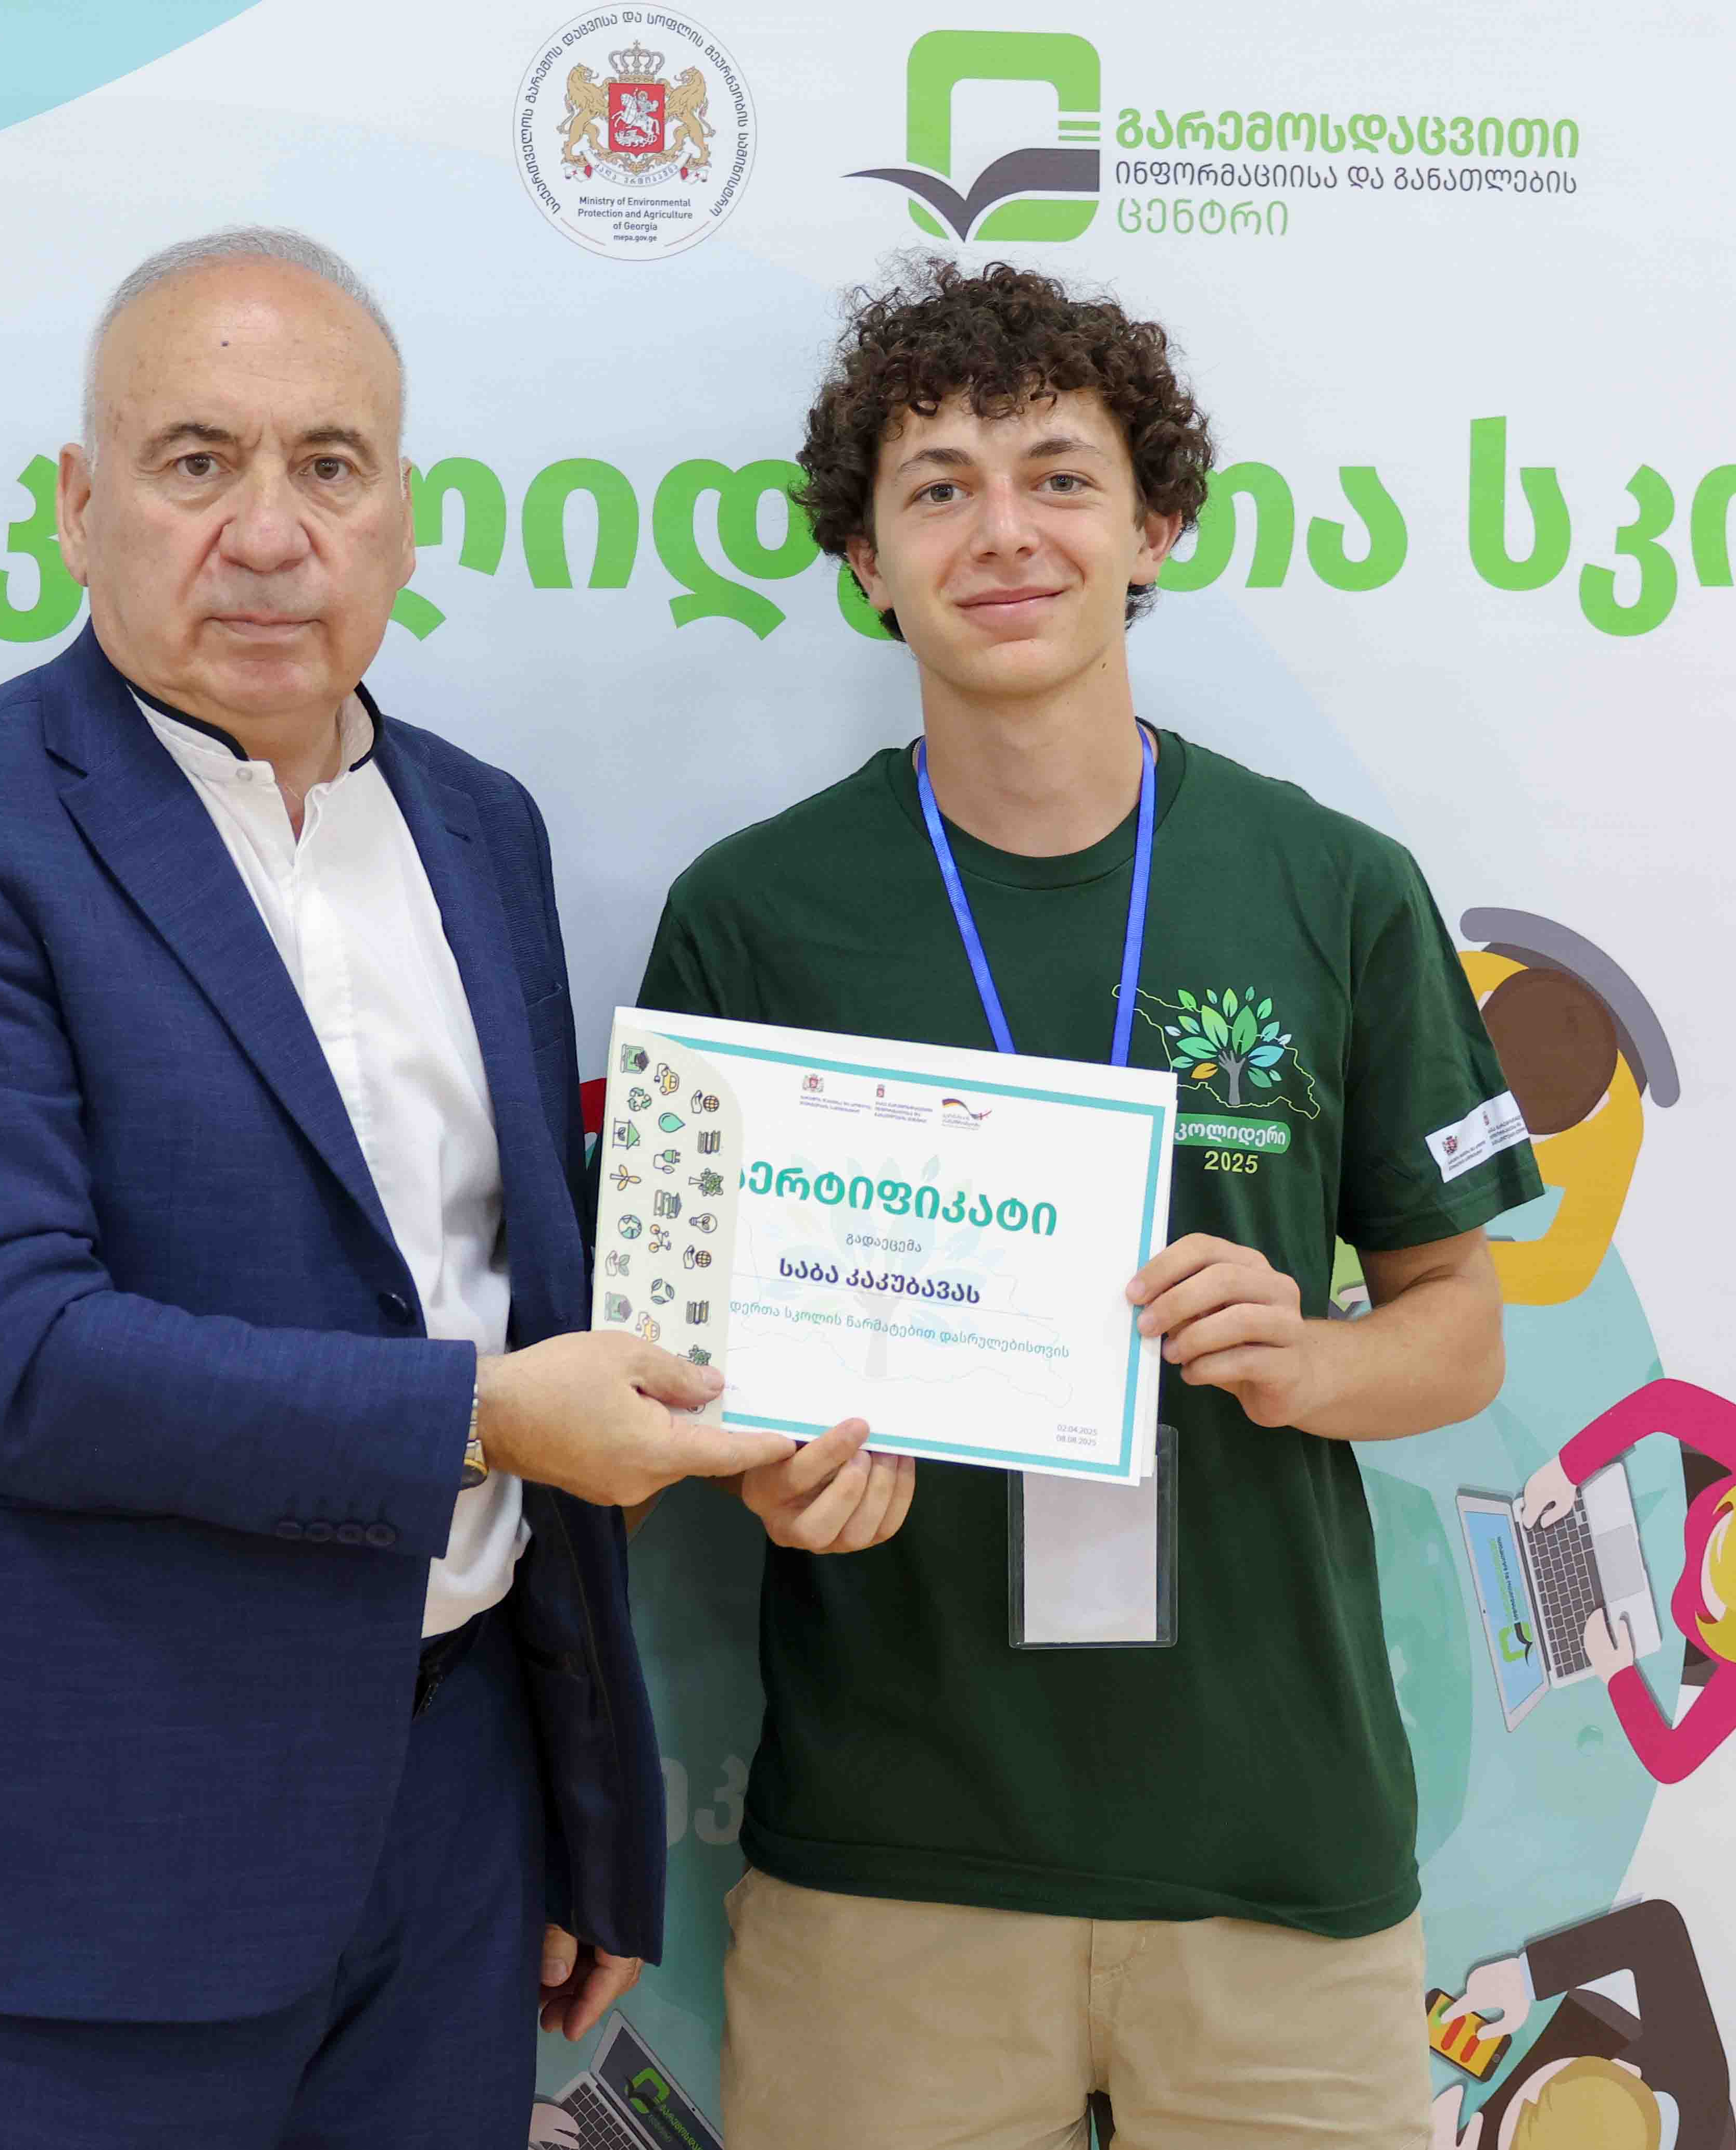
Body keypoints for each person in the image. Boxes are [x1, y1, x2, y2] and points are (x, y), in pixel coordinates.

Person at [0, 227, 793, 2148]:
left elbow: (520, 1289)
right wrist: (490, 1419)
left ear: (402, 517)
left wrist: (591, 1791)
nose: (266, 531)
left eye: (328, 464)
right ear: (78, 507)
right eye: (195, 460)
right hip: (78, 1851)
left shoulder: (480, 827)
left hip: (455, 1825)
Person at [634, 258, 1547, 2145]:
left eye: (1059, 475)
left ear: (1156, 525)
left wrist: (1312, 1358)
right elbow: (666, 1370)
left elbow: (1460, 1324)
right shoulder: (754, 914)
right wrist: (767, 1471)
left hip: (1277, 1863)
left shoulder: (1334, 884)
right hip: (891, 1877)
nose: (1004, 531)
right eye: (938, 486)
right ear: (865, 560)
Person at [1516, 1379, 1736, 1784]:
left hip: (1639, 1626)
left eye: (1711, 1598)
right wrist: (1568, 1467)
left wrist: (1618, 1674)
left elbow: (1669, 1761)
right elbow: (1665, 1401)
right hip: (1651, 1495)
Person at [1428, 1898, 1736, 2150]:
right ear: (1627, 2070)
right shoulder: (1695, 2089)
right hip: (1582, 2030)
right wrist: (1524, 1977)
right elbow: (1656, 1931)